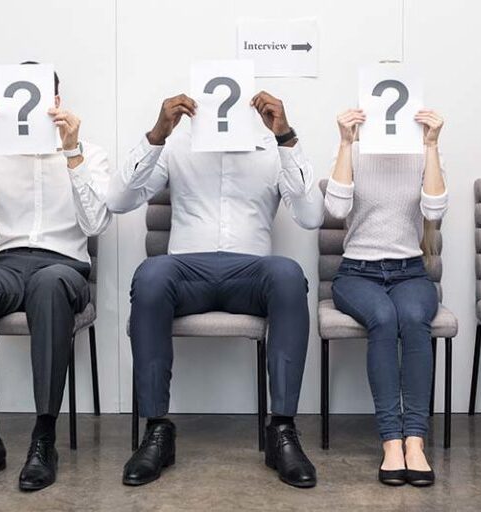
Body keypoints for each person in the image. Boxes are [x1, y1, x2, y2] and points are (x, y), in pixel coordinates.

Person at [107, 91, 323, 488]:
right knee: (151, 275)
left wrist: (286, 137)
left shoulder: (271, 150)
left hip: (250, 270)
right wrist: (157, 135)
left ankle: (283, 432)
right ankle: (157, 430)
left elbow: (311, 216)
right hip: (187, 270)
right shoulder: (178, 147)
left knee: (288, 275)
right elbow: (117, 200)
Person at [0, 62, 113, 491]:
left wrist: (72, 152)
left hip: (64, 268)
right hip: (7, 266)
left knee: (49, 283)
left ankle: (43, 438)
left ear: (54, 102)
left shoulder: (89, 152)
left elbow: (95, 225)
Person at [323, 107, 448, 486]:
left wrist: (432, 146)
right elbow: (336, 208)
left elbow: (436, 210)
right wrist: (346, 143)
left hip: (410, 270)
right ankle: (391, 440)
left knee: (412, 320)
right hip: (356, 272)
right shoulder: (355, 153)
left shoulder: (421, 155)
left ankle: (415, 440)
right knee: (383, 318)